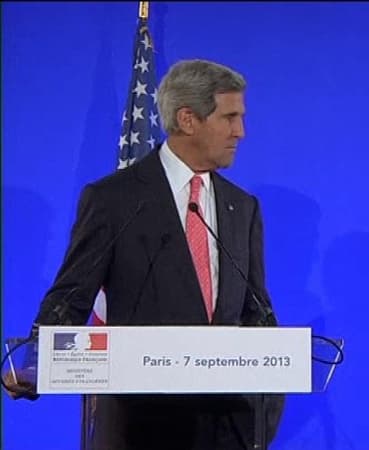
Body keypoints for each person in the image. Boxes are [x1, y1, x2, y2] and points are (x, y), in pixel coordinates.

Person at [30, 59, 283, 450]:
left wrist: (266, 404)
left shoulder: (241, 206)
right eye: (230, 117)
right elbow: (71, 295)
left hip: (225, 431)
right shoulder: (115, 199)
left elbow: (256, 311)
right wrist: (34, 361)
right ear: (188, 119)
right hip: (140, 427)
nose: (241, 132)